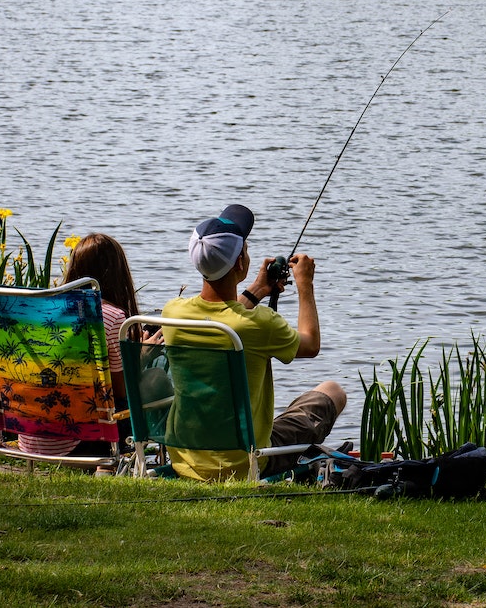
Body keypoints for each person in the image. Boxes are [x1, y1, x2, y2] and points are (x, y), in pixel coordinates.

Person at [161, 204, 347, 481]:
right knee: (332, 391)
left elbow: (225, 320)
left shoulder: (173, 313)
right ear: (239, 264)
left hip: (186, 458)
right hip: (244, 461)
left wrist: (258, 290)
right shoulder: (260, 323)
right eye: (245, 249)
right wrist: (305, 284)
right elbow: (310, 345)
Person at [18, 232, 144, 457]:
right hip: (80, 442)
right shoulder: (113, 317)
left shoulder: (43, 311)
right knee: (144, 387)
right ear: (118, 273)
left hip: (31, 437)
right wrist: (142, 355)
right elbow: (121, 390)